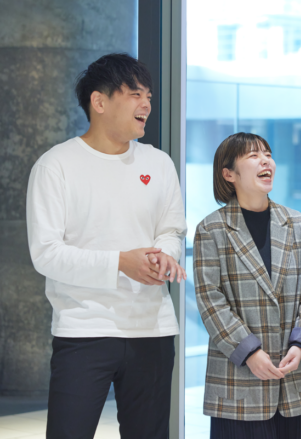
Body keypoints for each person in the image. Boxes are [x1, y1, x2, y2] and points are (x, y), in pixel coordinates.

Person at [26, 53, 187, 439]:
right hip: (83, 329)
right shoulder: (56, 166)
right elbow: (46, 253)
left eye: (148, 96)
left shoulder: (159, 163)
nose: (146, 104)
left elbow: (171, 230)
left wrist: (165, 256)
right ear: (99, 102)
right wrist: (120, 262)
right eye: (135, 94)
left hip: (152, 328)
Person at [193, 132, 301, 439]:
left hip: (293, 381)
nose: (265, 161)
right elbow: (210, 299)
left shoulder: (298, 224)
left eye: (268, 154)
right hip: (238, 383)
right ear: (229, 174)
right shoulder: (211, 229)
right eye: (253, 156)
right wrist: (249, 352)